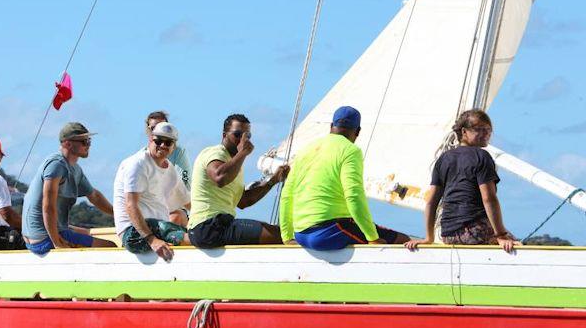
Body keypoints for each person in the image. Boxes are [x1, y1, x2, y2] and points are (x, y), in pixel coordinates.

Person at [279, 105, 410, 250]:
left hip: (301, 235)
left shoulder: (305, 150)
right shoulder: (350, 151)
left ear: (331, 126)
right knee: (402, 240)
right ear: (358, 131)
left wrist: (287, 237)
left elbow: (286, 195)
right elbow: (353, 196)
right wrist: (373, 238)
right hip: (328, 231)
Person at [405, 110, 518, 253]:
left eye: (488, 130)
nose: (486, 134)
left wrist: (429, 237)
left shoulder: (444, 158)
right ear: (464, 131)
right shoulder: (482, 156)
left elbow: (431, 202)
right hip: (474, 232)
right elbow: (489, 198)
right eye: (479, 129)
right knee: (516, 245)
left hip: (448, 234)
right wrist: (501, 235)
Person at [188, 113, 288, 248]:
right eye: (237, 135)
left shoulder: (235, 165)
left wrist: (273, 180)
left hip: (220, 226)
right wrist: (243, 153)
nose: (242, 140)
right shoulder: (214, 153)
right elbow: (219, 178)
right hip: (207, 226)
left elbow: (243, 201)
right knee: (281, 235)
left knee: (282, 232)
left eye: (247, 136)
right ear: (224, 135)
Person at [22, 122, 115, 253]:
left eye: (89, 140)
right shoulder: (56, 164)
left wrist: (118, 214)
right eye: (84, 141)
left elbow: (94, 196)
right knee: (110, 247)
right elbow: (48, 206)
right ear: (67, 144)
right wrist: (57, 243)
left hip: (48, 232)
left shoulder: (75, 169)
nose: (88, 145)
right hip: (42, 238)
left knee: (86, 233)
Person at [114, 122, 191, 261]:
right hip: (134, 233)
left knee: (193, 231)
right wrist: (152, 240)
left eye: (167, 142)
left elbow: (189, 203)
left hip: (157, 229)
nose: (162, 145)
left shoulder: (170, 170)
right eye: (158, 141)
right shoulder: (138, 164)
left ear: (173, 147)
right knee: (186, 235)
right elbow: (131, 205)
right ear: (150, 140)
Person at [146, 111, 191, 226]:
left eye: (164, 128)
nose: (160, 131)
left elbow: (184, 185)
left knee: (174, 218)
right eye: (154, 128)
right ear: (148, 131)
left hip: (175, 209)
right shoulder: (140, 159)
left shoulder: (178, 152)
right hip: (151, 211)